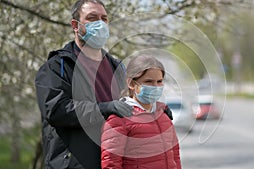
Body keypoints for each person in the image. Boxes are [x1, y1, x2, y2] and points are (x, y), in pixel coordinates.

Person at [35, 1, 173, 169]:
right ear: (75, 25)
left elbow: (129, 106)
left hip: (112, 162)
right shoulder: (58, 66)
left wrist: (154, 109)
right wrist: (104, 108)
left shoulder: (117, 68)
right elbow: (56, 110)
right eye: (92, 18)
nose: (99, 24)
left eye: (104, 19)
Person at [101, 55, 182, 169]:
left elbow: (175, 157)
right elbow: (111, 163)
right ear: (131, 83)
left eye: (159, 81)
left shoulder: (164, 115)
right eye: (148, 81)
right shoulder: (119, 118)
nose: (155, 86)